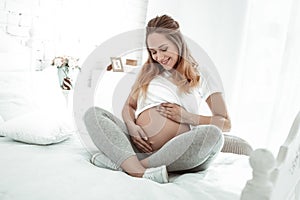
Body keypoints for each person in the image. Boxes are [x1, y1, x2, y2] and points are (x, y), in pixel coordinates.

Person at [84, 15, 231, 184]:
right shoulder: (147, 72)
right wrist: (131, 126)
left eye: (163, 49)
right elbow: (129, 107)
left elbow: (225, 123)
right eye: (153, 52)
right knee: (93, 114)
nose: (159, 57)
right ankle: (140, 169)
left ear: (178, 43)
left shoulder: (201, 73)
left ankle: (129, 166)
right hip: (136, 146)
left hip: (177, 150)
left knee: (214, 136)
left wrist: (187, 117)